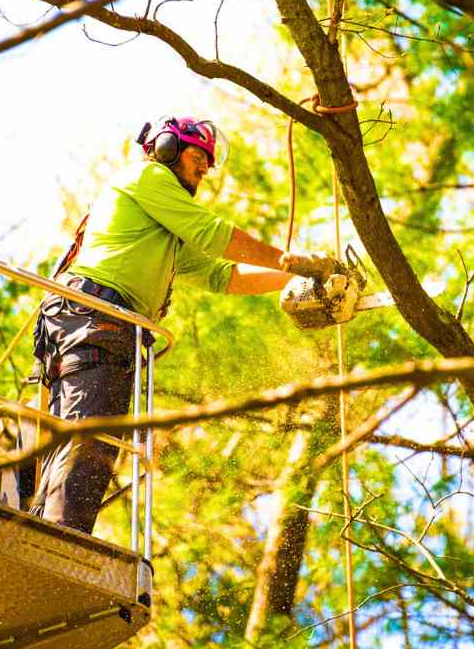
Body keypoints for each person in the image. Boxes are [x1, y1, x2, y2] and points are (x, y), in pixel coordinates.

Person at [27, 116, 339, 534]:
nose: (204, 169)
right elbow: (212, 233)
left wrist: (303, 278)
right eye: (197, 157)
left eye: (209, 164)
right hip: (93, 317)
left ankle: (51, 533)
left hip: (102, 325)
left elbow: (223, 275)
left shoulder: (163, 231)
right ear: (166, 150)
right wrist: (290, 258)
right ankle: (59, 540)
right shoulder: (147, 176)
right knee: (90, 436)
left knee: (88, 438)